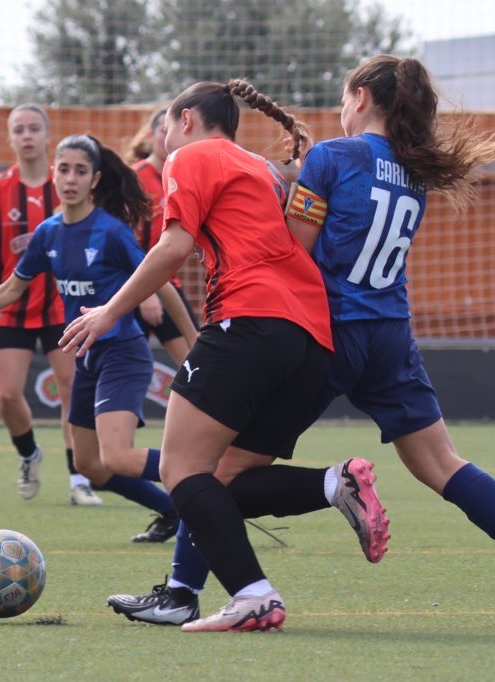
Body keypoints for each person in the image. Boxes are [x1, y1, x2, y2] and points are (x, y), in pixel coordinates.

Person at [106, 55, 495, 629]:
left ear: (361, 98)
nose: (340, 110)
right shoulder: (412, 174)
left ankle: (191, 587)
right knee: (442, 464)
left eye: (342, 99)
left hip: (328, 332)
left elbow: (293, 247)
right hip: (391, 334)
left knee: (212, 470)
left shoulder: (334, 156)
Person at [60, 79, 390, 632]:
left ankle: (253, 594)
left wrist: (108, 312)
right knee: (225, 479)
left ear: (186, 119)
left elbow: (173, 248)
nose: (160, 138)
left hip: (250, 321)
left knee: (179, 468)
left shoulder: (191, 156)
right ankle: (336, 484)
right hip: (309, 339)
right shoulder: (259, 166)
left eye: (163, 126)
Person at [0, 134, 197, 543]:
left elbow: (162, 280)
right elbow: (9, 290)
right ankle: (171, 510)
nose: (70, 178)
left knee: (118, 457)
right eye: (64, 169)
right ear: (54, 174)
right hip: (86, 360)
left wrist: (192, 336)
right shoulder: (48, 233)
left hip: (123, 355)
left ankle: (207, 479)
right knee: (90, 466)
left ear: (95, 180)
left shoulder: (110, 232)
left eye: (80, 171)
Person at [0, 104, 101, 507]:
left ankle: (79, 476)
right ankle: (29, 453)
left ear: (47, 136)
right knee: (7, 397)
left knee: (72, 391)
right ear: (10, 138)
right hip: (12, 309)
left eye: (33, 129)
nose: (26, 136)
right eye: (18, 130)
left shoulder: (67, 186)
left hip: (62, 308)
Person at [125, 108, 199, 366]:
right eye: (162, 130)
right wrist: (146, 294)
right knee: (125, 370)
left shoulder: (183, 176)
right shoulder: (134, 178)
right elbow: (121, 238)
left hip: (167, 285)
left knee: (195, 364)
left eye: (173, 130)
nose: (167, 136)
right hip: (131, 286)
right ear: (150, 135)